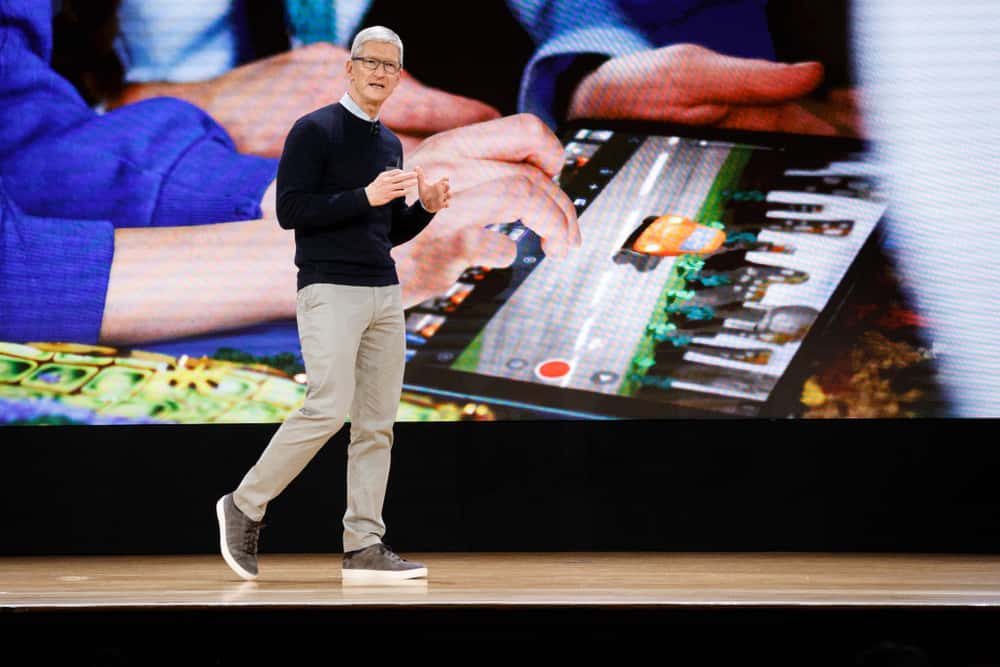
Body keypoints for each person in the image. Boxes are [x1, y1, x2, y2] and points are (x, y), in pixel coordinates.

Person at [215, 26, 450, 582]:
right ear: (349, 67)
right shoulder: (313, 130)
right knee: (326, 405)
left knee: (377, 424)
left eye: (390, 66)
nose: (379, 73)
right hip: (328, 287)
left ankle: (364, 544)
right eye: (370, 62)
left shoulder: (390, 143)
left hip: (383, 291)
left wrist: (427, 209)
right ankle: (244, 504)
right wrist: (362, 196)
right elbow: (291, 211)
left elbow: (384, 232)